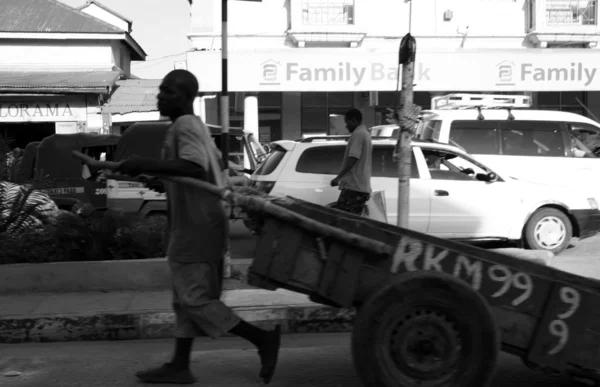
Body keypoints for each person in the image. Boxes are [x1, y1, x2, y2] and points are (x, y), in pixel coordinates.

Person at [115, 69, 281, 385]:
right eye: (161, 89)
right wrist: (164, 182)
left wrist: (144, 163)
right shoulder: (195, 127)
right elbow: (204, 173)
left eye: (169, 91)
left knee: (195, 301)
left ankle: (262, 340)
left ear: (188, 97)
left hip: (197, 230)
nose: (161, 95)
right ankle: (179, 365)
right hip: (200, 225)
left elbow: (192, 166)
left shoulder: (186, 125)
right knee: (183, 302)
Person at [330, 108, 372, 215]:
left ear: (354, 120)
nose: (346, 126)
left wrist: (338, 178)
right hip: (359, 187)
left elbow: (353, 158)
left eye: (347, 122)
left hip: (354, 187)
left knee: (344, 220)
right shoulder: (365, 134)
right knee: (351, 220)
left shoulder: (358, 134)